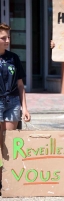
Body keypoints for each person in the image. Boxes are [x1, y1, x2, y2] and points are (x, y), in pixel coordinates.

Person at [0, 23, 31, 183]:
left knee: (9, 143)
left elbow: (20, 85)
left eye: (8, 37)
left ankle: (6, 180)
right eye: (3, 38)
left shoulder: (14, 58)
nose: (7, 40)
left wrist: (24, 108)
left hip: (12, 102)